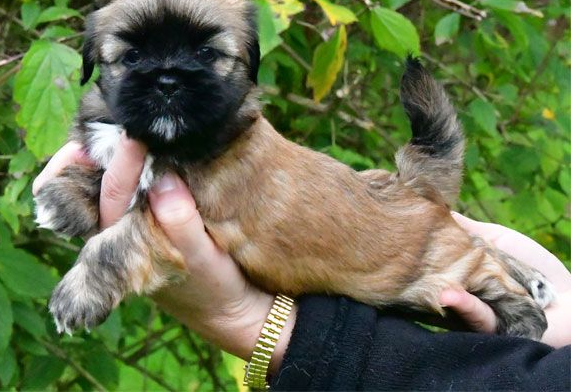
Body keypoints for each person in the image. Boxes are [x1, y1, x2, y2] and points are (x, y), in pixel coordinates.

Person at [34, 136, 571, 390]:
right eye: (129, 57)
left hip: (407, 269)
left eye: (210, 54)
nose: (166, 78)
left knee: (484, 289)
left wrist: (252, 323)